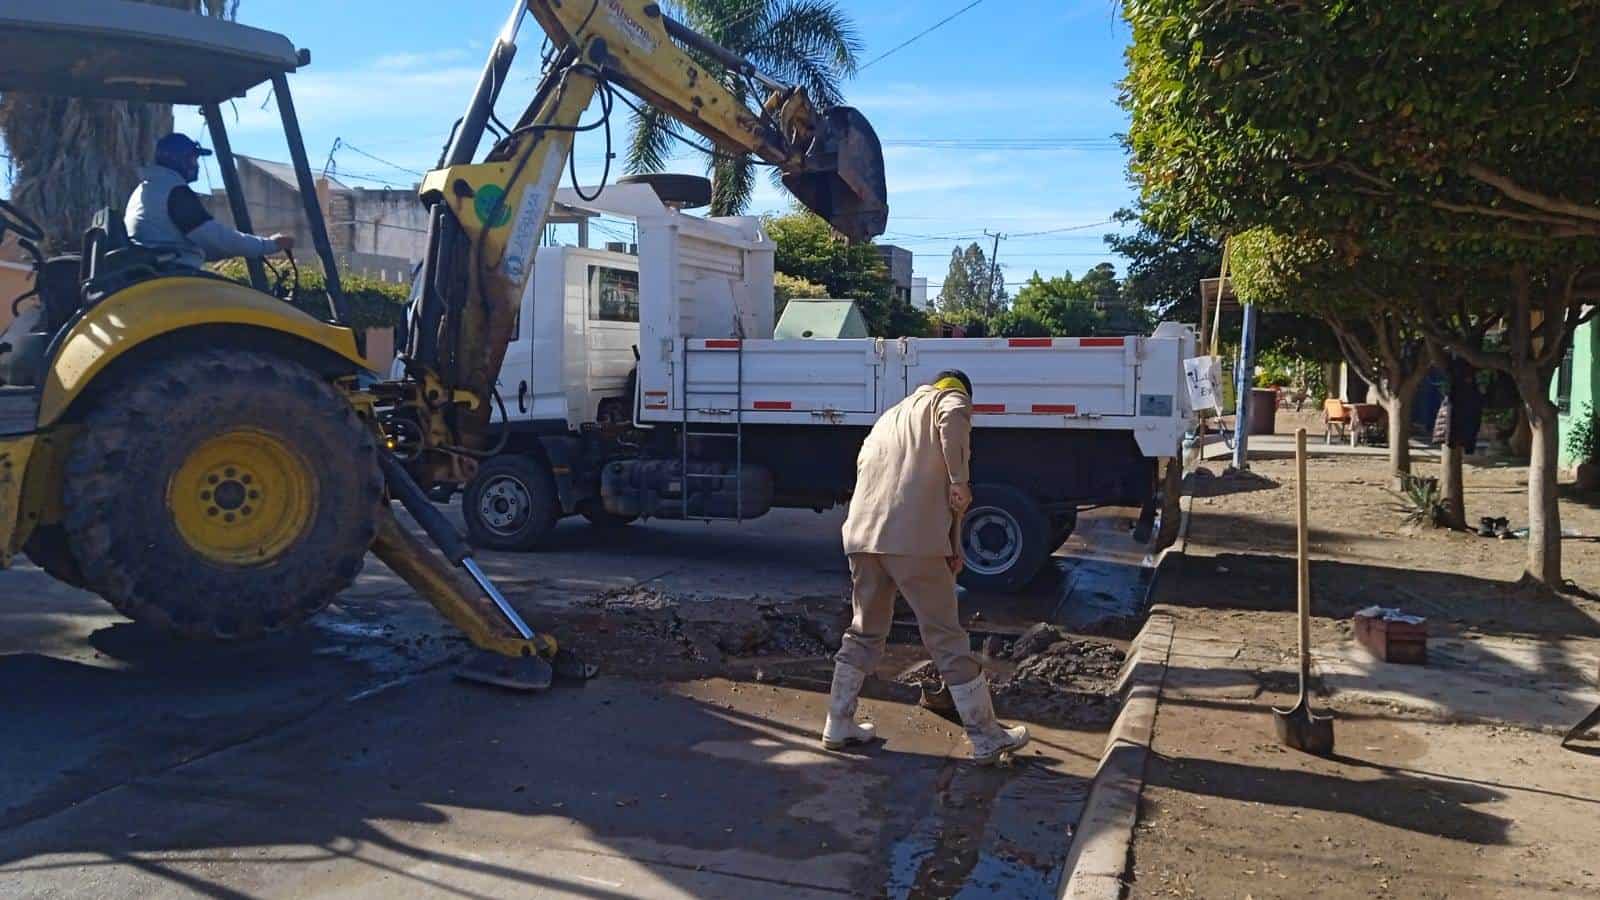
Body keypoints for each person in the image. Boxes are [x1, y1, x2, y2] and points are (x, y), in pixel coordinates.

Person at [823, 369, 1030, 764]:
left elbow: (883, 476)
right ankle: (987, 736)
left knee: (864, 630)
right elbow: (952, 419)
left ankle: (838, 721)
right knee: (946, 636)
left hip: (863, 539)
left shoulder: (891, 417)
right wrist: (960, 480)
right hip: (912, 539)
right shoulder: (948, 399)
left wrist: (952, 542)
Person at [125, 133, 294, 269]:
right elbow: (215, 238)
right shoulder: (176, 192)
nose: (196, 165)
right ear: (178, 159)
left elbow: (206, 246)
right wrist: (269, 245)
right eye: (193, 159)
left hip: (159, 268)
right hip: (174, 272)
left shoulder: (145, 190)